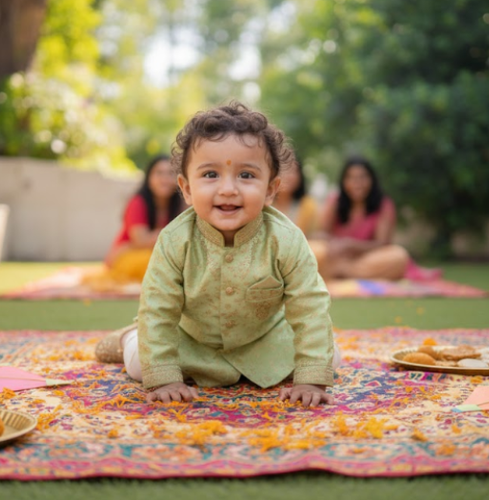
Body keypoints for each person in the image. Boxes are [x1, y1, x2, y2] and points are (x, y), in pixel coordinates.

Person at [95, 101, 339, 407]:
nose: (227, 189)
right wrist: (165, 377)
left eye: (246, 175)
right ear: (185, 188)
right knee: (142, 365)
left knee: (330, 357)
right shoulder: (174, 241)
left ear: (270, 190)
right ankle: (128, 337)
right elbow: (158, 308)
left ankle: (301, 364)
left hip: (263, 340)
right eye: (210, 174)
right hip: (193, 342)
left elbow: (309, 306)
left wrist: (311, 378)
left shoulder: (286, 240)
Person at [309, 156, 441, 281]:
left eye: (362, 177)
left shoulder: (383, 204)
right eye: (351, 178)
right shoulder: (335, 202)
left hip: (368, 258)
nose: (357, 183)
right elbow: (321, 234)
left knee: (398, 256)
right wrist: (338, 244)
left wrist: (351, 246)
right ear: (344, 182)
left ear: (372, 180)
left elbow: (383, 243)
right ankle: (344, 271)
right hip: (338, 257)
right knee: (314, 250)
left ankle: (342, 272)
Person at [102, 155, 182, 283]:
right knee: (153, 263)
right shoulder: (137, 202)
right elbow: (141, 241)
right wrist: (173, 234)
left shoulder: (179, 204)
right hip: (128, 255)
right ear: (149, 178)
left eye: (170, 173)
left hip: (157, 255)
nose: (165, 179)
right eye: (159, 173)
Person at [273, 153, 318, 237]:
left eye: (293, 171)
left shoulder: (308, 206)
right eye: (283, 170)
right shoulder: (263, 205)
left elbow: (313, 239)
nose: (288, 176)